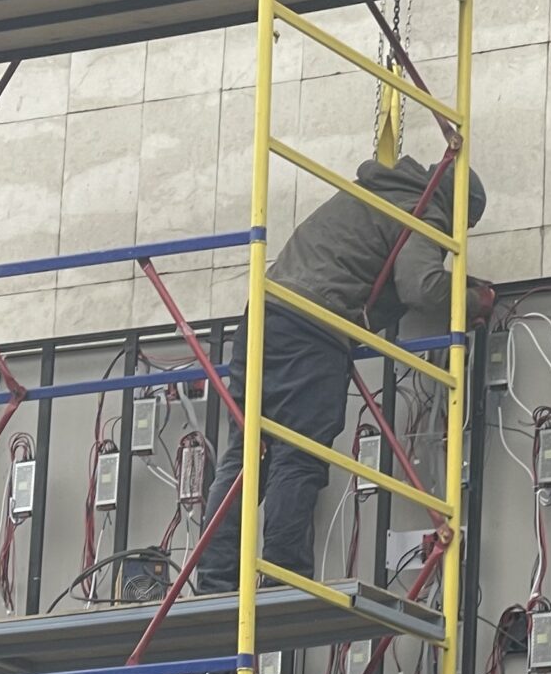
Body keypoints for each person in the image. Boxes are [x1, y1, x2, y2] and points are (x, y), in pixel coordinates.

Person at [196, 152, 491, 591]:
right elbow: (421, 285)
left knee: (246, 452)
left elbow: (380, 280)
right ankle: (283, 576)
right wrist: (474, 301)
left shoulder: (373, 192)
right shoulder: (423, 208)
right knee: (298, 455)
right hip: (312, 328)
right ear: (457, 208)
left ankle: (216, 577)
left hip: (262, 317)